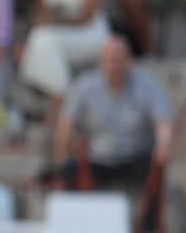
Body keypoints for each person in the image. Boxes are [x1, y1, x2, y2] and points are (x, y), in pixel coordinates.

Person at [51, 35, 171, 194]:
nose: (115, 65)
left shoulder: (147, 86)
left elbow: (163, 122)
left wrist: (163, 147)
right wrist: (62, 159)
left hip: (134, 155)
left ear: (129, 60)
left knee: (154, 170)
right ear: (101, 62)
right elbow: (66, 124)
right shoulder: (84, 86)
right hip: (97, 157)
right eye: (111, 59)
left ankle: (148, 219)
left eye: (120, 59)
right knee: (69, 172)